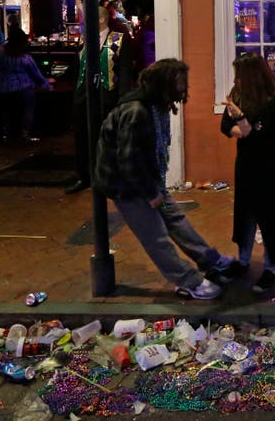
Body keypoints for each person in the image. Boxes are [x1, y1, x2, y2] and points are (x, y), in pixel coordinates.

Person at [95, 59, 236, 300]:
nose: (184, 89)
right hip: (127, 186)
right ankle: (189, 281)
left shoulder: (156, 105)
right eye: (180, 83)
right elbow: (128, 161)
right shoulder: (137, 111)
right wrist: (151, 194)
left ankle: (210, 260)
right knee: (156, 235)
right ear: (165, 84)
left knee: (176, 220)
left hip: (148, 179)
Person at [218, 52, 275, 293]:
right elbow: (226, 127)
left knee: (270, 217)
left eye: (239, 74)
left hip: (270, 166)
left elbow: (261, 135)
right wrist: (245, 127)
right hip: (247, 163)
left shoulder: (274, 100)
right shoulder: (238, 95)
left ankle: (271, 268)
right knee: (246, 213)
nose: (236, 79)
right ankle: (243, 261)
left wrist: (241, 120)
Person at [66, 2, 137, 194]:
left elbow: (125, 71)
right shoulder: (84, 39)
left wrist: (123, 98)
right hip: (84, 97)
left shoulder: (119, 39)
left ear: (102, 19)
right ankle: (84, 177)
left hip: (108, 96)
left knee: (107, 138)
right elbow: (77, 69)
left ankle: (108, 178)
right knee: (82, 139)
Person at [0, 19, 51, 142]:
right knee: (28, 109)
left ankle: (5, 134)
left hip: (3, 87)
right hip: (23, 88)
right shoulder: (25, 57)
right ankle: (25, 134)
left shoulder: (1, 52)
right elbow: (36, 74)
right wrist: (46, 84)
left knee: (6, 112)